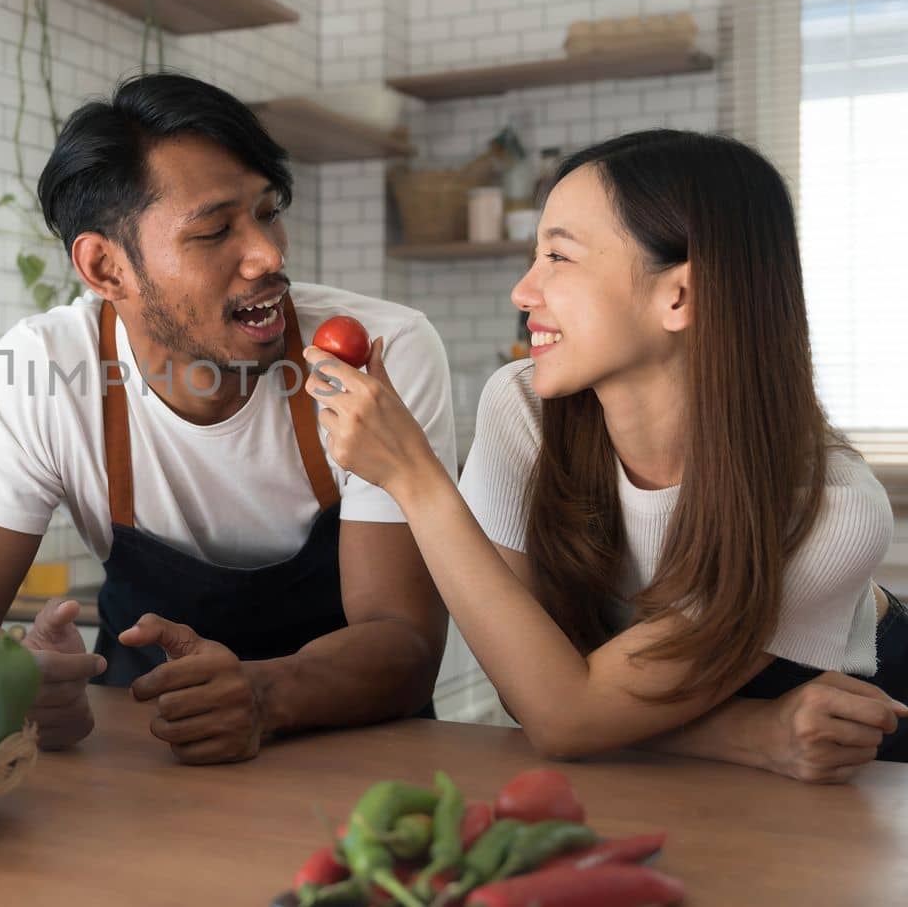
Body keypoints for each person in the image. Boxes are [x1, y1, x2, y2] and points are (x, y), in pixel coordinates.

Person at [305, 129, 905, 783]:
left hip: (855, 750)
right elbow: (529, 686)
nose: (522, 292)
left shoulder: (830, 509)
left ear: (679, 295)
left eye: (558, 257)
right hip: (668, 753)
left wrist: (411, 474)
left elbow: (563, 715)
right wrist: (749, 735)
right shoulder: (524, 408)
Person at [0, 73, 457, 764]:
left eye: (268, 212)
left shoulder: (380, 350)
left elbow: (406, 640)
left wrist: (265, 693)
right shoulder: (48, 368)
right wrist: (14, 685)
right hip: (139, 759)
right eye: (215, 230)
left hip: (359, 761)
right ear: (106, 267)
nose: (269, 253)